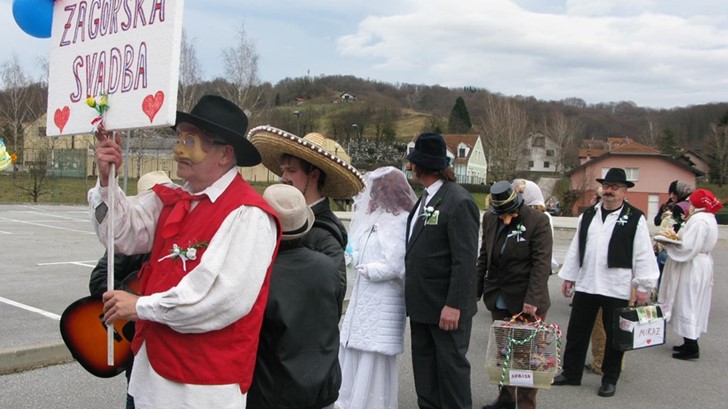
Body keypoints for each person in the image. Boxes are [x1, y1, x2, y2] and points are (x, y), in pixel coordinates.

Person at [91, 95, 280, 409]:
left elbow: (219, 300)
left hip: (199, 391)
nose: (178, 150)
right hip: (148, 378)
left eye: (191, 141)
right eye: (179, 138)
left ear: (225, 153)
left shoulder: (249, 215)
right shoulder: (173, 199)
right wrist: (106, 179)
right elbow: (119, 234)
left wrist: (140, 306)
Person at [554, 167, 659, 398]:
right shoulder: (588, 215)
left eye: (615, 187)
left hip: (616, 286)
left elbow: (642, 253)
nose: (610, 191)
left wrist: (643, 287)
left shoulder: (635, 218)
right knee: (577, 331)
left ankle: (609, 379)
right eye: (607, 186)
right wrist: (570, 276)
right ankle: (571, 373)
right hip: (587, 283)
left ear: (624, 191)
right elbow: (576, 248)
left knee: (615, 337)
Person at [248, 126, 365, 313]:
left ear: (314, 175)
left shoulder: (326, 234)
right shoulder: (285, 219)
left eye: (291, 171)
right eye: (283, 170)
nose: (283, 178)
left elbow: (332, 294)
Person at [247, 184, 342, 409]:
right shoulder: (328, 266)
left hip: (274, 392)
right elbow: (334, 314)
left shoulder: (260, 273)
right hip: (323, 388)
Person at [404, 133, 480, 409]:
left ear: (419, 166)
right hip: (423, 306)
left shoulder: (459, 201)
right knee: (425, 372)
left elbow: (465, 260)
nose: (410, 167)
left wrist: (453, 305)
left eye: (412, 163)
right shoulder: (425, 198)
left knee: (451, 373)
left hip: (446, 308)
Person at [88, 170, 172, 409]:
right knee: (137, 393)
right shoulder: (131, 242)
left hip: (161, 334)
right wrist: (131, 302)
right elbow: (99, 280)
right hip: (135, 331)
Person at [337, 167, 416, 409]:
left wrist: (371, 269)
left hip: (384, 299)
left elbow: (398, 264)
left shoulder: (401, 220)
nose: (374, 196)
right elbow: (360, 247)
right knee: (353, 350)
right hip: (363, 297)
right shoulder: (374, 218)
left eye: (379, 190)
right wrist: (352, 255)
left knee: (373, 357)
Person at [477, 181, 553, 409]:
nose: (506, 217)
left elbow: (542, 264)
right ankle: (506, 398)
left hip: (525, 300)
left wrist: (533, 298)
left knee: (526, 358)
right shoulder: (490, 219)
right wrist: (475, 290)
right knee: (503, 353)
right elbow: (484, 257)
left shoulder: (538, 221)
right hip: (498, 298)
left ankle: (526, 403)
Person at [658, 189, 722, 360]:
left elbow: (689, 246)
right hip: (699, 263)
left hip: (692, 265)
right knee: (691, 300)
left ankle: (692, 345)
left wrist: (670, 244)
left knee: (688, 300)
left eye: (692, 202)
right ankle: (688, 340)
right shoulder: (707, 217)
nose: (690, 205)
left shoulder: (699, 220)